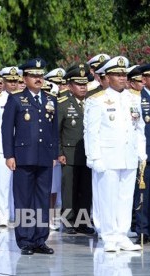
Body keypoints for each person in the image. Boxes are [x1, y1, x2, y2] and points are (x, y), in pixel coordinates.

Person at [84, 56, 145, 252]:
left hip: (128, 155)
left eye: (123, 74)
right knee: (107, 197)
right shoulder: (97, 100)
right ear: (107, 77)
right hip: (107, 156)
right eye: (117, 74)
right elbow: (91, 131)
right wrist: (94, 157)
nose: (121, 77)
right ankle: (108, 235)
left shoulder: (133, 98)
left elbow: (139, 128)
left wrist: (141, 153)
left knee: (125, 198)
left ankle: (121, 234)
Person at [1, 58, 58, 255]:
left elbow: (54, 130)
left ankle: (40, 239)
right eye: (33, 75)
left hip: (44, 157)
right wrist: (9, 154)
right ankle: (25, 240)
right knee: (23, 200)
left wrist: (54, 153)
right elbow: (7, 129)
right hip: (23, 156)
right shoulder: (16, 99)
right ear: (24, 78)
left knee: (42, 199)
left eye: (40, 75)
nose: (38, 79)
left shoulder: (51, 99)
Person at [57, 64, 94, 235]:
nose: (83, 87)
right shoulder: (63, 104)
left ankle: (83, 222)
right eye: (79, 84)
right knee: (69, 189)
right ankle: (68, 221)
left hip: (87, 154)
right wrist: (59, 152)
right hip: (69, 154)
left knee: (85, 190)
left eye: (85, 84)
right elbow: (56, 130)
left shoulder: (92, 102)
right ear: (70, 86)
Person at [0, 66, 20, 227]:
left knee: (18, 184)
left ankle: (15, 213)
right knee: (3, 185)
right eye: (10, 81)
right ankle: (3, 216)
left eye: (16, 81)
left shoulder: (23, 98)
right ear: (4, 81)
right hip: (1, 148)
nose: (13, 84)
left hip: (20, 148)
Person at [135, 63, 150, 244]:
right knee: (143, 195)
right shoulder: (138, 99)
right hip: (146, 153)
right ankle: (143, 230)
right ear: (144, 80)